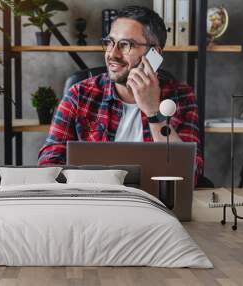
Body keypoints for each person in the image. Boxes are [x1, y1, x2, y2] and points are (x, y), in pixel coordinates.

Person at [38, 5, 203, 183]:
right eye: (110, 42)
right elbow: (48, 166)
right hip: (92, 201)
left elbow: (190, 176)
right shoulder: (80, 95)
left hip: (153, 204)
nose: (112, 54)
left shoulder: (181, 97)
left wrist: (154, 113)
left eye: (126, 45)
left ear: (155, 53)